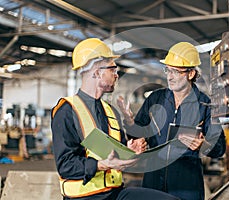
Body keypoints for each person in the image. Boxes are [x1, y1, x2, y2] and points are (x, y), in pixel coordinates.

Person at [51, 38, 180, 200]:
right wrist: (102, 164)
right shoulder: (67, 111)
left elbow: (115, 154)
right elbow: (65, 165)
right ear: (97, 72)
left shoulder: (110, 111)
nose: (116, 74)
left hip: (114, 193)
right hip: (84, 197)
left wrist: (129, 150)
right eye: (112, 69)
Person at [117, 42, 226, 200]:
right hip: (153, 179)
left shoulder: (204, 105)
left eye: (176, 71)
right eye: (168, 70)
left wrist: (204, 146)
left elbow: (220, 148)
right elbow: (136, 135)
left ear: (190, 74)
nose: (169, 76)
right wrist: (129, 122)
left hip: (186, 185)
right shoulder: (156, 98)